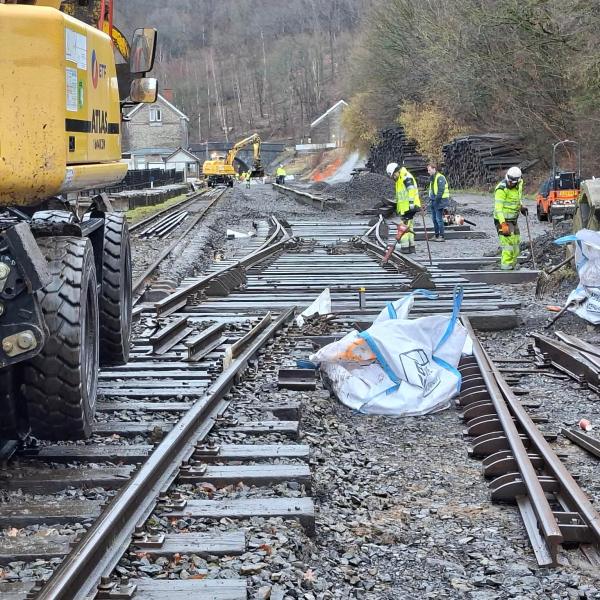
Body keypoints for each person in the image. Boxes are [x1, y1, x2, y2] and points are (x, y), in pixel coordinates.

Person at [494, 166, 526, 270]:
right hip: (502, 220)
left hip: (513, 220)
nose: (510, 183)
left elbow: (518, 197)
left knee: (516, 246)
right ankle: (505, 269)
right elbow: (498, 209)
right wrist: (503, 224)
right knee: (508, 246)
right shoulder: (501, 189)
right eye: (509, 181)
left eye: (513, 182)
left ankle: (511, 267)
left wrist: (521, 206)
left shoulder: (519, 184)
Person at [386, 162, 421, 254]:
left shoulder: (405, 176)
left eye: (393, 175)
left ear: (396, 171)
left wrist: (411, 204)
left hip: (409, 207)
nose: (393, 177)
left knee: (403, 227)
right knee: (409, 227)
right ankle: (411, 246)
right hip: (405, 207)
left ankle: (405, 247)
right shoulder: (400, 179)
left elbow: (411, 190)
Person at [427, 163, 450, 241]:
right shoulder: (433, 178)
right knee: (434, 219)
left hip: (440, 201)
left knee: (438, 219)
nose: (428, 172)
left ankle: (442, 236)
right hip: (433, 200)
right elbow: (432, 190)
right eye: (428, 170)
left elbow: (440, 191)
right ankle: (436, 235)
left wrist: (436, 201)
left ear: (434, 169)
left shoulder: (440, 177)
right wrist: (430, 199)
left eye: (429, 170)